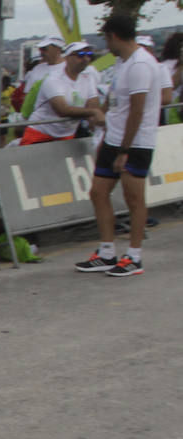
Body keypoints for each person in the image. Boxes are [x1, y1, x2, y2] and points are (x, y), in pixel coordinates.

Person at [74, 14, 162, 277]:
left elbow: (137, 111)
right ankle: (107, 252)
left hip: (136, 141)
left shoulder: (141, 65)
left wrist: (124, 150)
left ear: (113, 36)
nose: (104, 44)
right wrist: (103, 127)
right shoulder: (122, 63)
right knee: (98, 193)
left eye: (105, 38)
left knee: (134, 198)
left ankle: (134, 256)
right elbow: (115, 101)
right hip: (114, 137)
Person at [24, 42, 104, 144]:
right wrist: (93, 112)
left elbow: (93, 105)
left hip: (67, 135)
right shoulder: (53, 79)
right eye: (80, 55)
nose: (85, 59)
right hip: (40, 133)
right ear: (67, 58)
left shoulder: (88, 78)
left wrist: (93, 115)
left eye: (88, 55)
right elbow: (62, 110)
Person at [16, 35, 65, 118]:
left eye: (44, 49)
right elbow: (28, 96)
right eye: (40, 49)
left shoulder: (68, 68)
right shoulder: (38, 69)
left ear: (57, 49)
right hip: (38, 121)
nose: (41, 52)